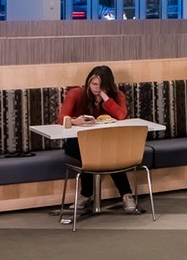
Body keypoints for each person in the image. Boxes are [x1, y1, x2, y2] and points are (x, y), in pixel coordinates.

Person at [59, 65, 140, 217]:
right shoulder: (76, 93)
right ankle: (123, 194)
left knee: (108, 152)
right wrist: (76, 121)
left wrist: (104, 97)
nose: (96, 88)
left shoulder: (117, 95)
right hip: (77, 142)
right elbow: (61, 117)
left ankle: (89, 195)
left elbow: (121, 115)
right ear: (88, 83)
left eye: (101, 86)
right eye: (94, 84)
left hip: (105, 141)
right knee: (98, 154)